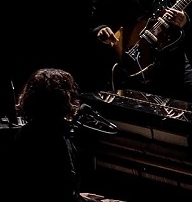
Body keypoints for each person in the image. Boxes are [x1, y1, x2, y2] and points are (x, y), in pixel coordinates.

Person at [7, 67, 121, 202]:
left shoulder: (26, 132)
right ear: (65, 99)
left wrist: (79, 195)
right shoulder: (55, 138)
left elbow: (50, 188)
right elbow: (61, 195)